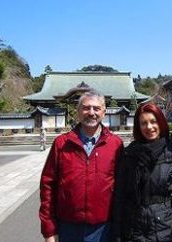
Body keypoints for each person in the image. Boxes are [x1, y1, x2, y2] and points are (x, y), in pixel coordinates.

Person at [39, 89, 123, 242]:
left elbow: (122, 187)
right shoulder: (62, 143)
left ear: (104, 112)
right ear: (78, 112)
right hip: (68, 226)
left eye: (96, 108)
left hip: (103, 227)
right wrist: (49, 230)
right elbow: (47, 186)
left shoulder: (115, 144)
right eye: (86, 107)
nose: (91, 112)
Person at [112, 103, 172, 242]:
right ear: (138, 127)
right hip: (133, 228)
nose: (149, 127)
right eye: (143, 123)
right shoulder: (129, 154)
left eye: (153, 121)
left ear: (161, 123)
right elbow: (120, 196)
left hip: (164, 227)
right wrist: (117, 232)